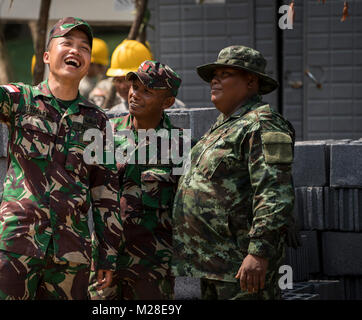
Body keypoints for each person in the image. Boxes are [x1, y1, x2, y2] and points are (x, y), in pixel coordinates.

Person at [0, 17, 122, 300]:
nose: (76, 51)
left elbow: (105, 194)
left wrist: (107, 256)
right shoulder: (22, 100)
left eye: (84, 47)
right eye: (67, 43)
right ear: (47, 56)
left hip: (71, 255)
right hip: (17, 244)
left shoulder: (97, 122)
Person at [171, 45, 296, 300]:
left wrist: (258, 252)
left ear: (251, 81)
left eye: (226, 73)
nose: (215, 80)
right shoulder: (223, 126)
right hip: (214, 264)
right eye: (214, 75)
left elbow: (274, 193)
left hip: (241, 266)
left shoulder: (261, 124)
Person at [89, 60, 183, 300]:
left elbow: (185, 208)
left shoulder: (179, 146)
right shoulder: (107, 134)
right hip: (104, 258)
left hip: (152, 266)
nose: (135, 95)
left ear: (168, 102)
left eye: (147, 91)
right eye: (135, 86)